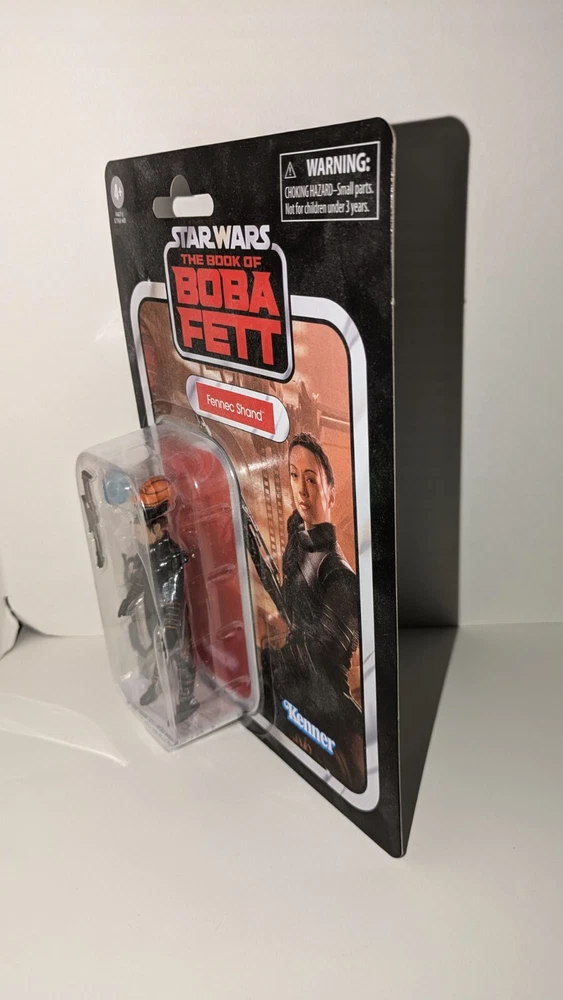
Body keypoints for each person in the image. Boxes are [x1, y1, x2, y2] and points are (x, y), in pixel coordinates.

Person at [262, 433, 363, 783]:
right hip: (295, 693)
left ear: (330, 492)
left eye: (311, 480)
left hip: (327, 711)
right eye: (294, 476)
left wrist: (272, 659)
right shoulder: (298, 545)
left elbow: (321, 656)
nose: (301, 491)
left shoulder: (339, 575)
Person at [117, 476, 197, 725]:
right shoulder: (147, 553)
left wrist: (172, 624)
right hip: (154, 612)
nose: (135, 531)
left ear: (157, 529)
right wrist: (129, 599)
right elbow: (141, 580)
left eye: (140, 526)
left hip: (172, 616)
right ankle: (156, 685)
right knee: (158, 652)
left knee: (181, 658)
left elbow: (175, 590)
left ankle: (186, 700)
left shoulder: (171, 554)